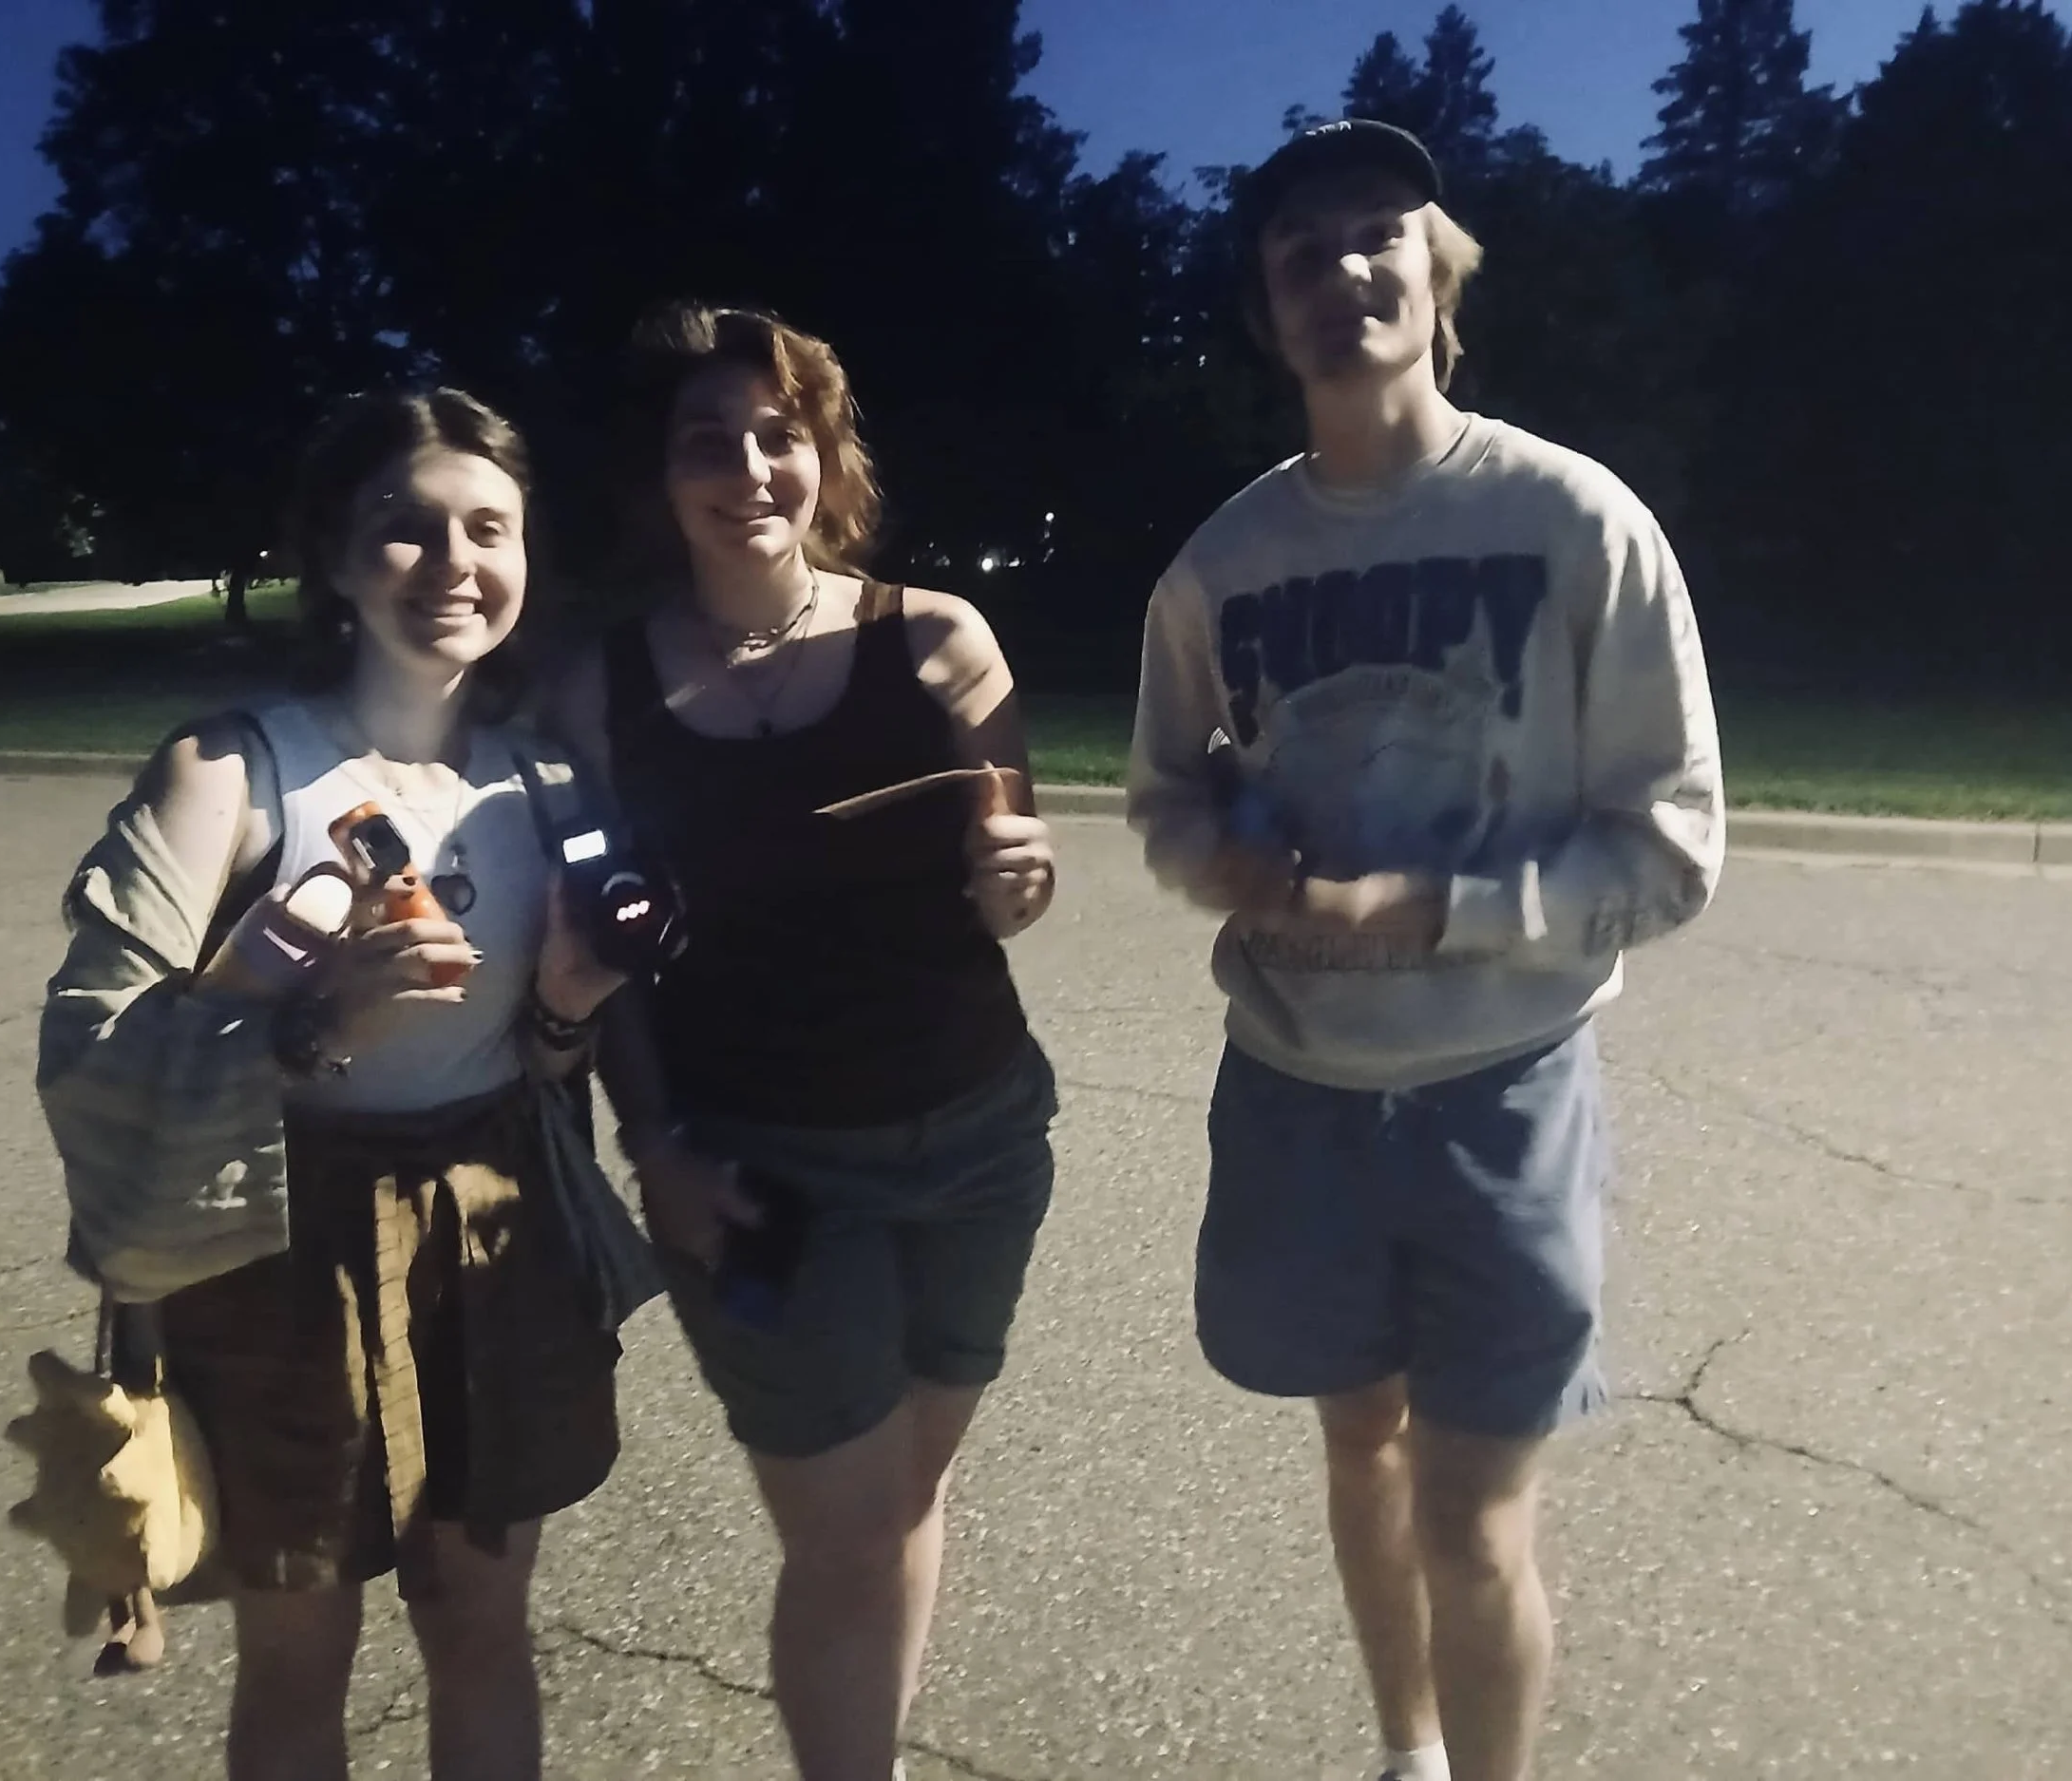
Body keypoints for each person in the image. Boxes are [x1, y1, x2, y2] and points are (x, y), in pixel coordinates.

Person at [1126, 121, 1724, 1781]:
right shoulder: (1224, 567)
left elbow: (1672, 845)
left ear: (1440, 271)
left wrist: (1434, 915)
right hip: (1298, 1093)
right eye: (1297, 256)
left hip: (1501, 1091)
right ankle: (1409, 1749)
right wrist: (1218, 862)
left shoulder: (1574, 524)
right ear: (1268, 314)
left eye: (1376, 236)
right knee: (1358, 1447)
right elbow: (1166, 800)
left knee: (1475, 1512)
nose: (1341, 274)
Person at [38, 388, 628, 1781]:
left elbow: (545, 1057)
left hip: (497, 1235)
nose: (455, 562)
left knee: (483, 1621)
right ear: (337, 556)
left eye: (490, 527)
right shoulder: (233, 768)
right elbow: (86, 1047)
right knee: (302, 1651)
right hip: (281, 1259)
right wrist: (308, 1023)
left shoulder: (542, 775)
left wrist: (561, 1012)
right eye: (405, 529)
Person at [548, 302, 1059, 1781]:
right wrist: (659, 1150)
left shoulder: (940, 639)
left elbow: (1009, 858)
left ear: (827, 458)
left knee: (902, 1495)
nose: (749, 466)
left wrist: (1019, 881)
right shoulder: (604, 691)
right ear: (660, 476)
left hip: (976, 1143)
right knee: (838, 1537)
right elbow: (610, 952)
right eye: (708, 438)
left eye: (782, 434)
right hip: (758, 1171)